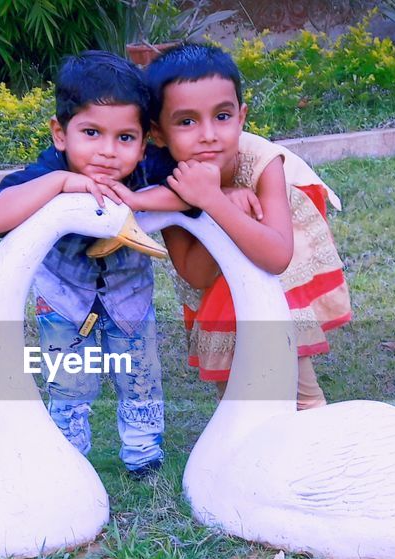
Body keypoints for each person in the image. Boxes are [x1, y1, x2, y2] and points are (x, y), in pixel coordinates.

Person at [0, 51, 186, 479]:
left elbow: (191, 193)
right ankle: (70, 461)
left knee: (139, 377)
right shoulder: (50, 168)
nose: (108, 152)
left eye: (125, 138)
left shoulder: (145, 170)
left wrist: (140, 200)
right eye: (91, 132)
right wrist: (60, 185)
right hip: (64, 302)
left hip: (130, 302)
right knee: (70, 384)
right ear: (60, 133)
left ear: (144, 142)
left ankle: (143, 456)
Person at [146, 43, 352, 410]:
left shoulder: (262, 160)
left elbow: (276, 257)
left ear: (241, 117)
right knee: (239, 395)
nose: (208, 134)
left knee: (299, 388)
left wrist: (214, 202)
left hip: (277, 270)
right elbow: (195, 273)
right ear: (158, 133)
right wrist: (216, 203)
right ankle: (248, 454)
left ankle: (315, 446)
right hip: (217, 281)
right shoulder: (168, 175)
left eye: (222, 116)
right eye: (187, 121)